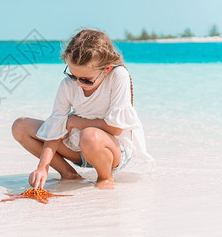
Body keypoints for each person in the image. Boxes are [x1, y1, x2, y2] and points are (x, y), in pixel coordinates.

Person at [12, 28, 154, 189]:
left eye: (86, 80)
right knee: (20, 126)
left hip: (112, 151)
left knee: (90, 135)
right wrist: (42, 167)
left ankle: (105, 178)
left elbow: (115, 128)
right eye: (73, 75)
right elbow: (55, 128)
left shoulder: (118, 76)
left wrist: (75, 121)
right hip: (77, 147)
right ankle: (69, 174)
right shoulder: (67, 85)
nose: (78, 83)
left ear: (106, 69)